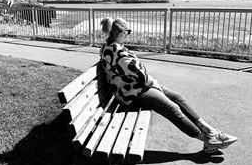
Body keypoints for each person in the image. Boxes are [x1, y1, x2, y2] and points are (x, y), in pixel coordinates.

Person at [100, 17, 238, 154]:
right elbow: (140, 77)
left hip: (134, 86)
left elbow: (136, 74)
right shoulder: (117, 51)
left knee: (177, 98)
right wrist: (154, 84)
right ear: (122, 33)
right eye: (128, 32)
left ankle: (210, 131)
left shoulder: (111, 46)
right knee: (172, 108)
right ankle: (207, 140)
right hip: (130, 92)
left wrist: (153, 83)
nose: (128, 35)